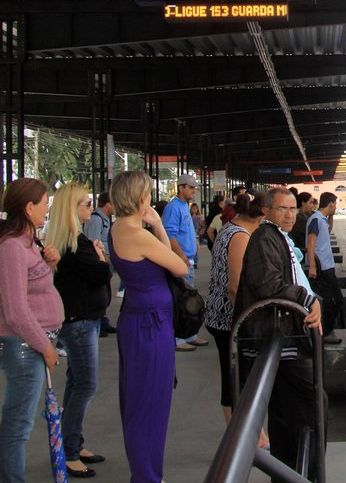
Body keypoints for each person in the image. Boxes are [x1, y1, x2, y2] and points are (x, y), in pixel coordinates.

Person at [108, 170, 189, 483]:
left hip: (138, 317)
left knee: (139, 398)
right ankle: (147, 476)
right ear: (139, 198)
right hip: (150, 324)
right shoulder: (137, 233)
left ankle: (146, 472)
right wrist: (157, 225)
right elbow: (179, 266)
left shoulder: (118, 228)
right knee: (150, 403)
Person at [237, 187, 325, 476]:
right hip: (276, 336)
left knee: (284, 411)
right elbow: (268, 284)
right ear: (266, 211)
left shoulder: (276, 237)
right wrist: (306, 299)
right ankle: (307, 472)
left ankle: (289, 471)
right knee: (314, 403)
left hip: (281, 334)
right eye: (281, 209)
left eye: (292, 209)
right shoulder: (265, 239)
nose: (289, 215)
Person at [0, 177, 63, 482]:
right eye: (44, 202)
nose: (47, 208)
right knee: (18, 426)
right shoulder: (10, 249)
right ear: (29, 207)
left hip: (30, 343)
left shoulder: (27, 243)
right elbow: (16, 310)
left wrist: (49, 264)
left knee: (20, 423)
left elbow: (34, 290)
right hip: (23, 345)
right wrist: (45, 347)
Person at [46, 183, 111, 477]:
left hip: (81, 319)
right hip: (81, 321)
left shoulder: (72, 241)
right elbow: (101, 274)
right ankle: (69, 450)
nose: (90, 207)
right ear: (71, 209)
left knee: (76, 382)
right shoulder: (75, 243)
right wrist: (101, 257)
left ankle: (73, 441)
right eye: (85, 203)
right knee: (86, 384)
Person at [204, 193, 268, 443]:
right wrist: (248, 320)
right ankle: (240, 437)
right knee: (236, 378)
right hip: (228, 319)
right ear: (262, 213)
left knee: (235, 376)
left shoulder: (230, 228)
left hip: (219, 316)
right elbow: (235, 286)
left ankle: (247, 433)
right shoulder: (240, 237)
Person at [162, 173, 208, 351]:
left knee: (189, 301)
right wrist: (180, 256)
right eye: (190, 187)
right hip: (181, 260)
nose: (193, 190)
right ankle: (179, 338)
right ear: (180, 187)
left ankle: (189, 334)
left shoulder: (183, 206)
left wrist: (195, 244)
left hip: (188, 259)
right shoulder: (174, 207)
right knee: (182, 302)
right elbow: (170, 234)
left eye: (194, 187)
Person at [307, 192, 343, 345]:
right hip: (321, 268)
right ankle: (326, 332)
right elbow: (310, 243)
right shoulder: (315, 219)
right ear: (330, 204)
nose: (336, 207)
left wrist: (332, 216)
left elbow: (328, 232)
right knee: (333, 299)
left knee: (331, 299)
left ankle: (327, 329)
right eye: (335, 204)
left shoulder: (322, 219)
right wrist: (313, 266)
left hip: (327, 266)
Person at [83, 190, 121, 327]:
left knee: (106, 292)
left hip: (106, 260)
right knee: (101, 291)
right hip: (101, 261)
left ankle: (103, 320)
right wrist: (104, 259)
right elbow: (94, 242)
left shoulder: (104, 218)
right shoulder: (96, 219)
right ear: (108, 204)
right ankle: (99, 321)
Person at [291, 192, 315, 256]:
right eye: (310, 202)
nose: (313, 206)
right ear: (303, 203)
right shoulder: (301, 219)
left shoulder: (304, 216)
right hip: (303, 253)